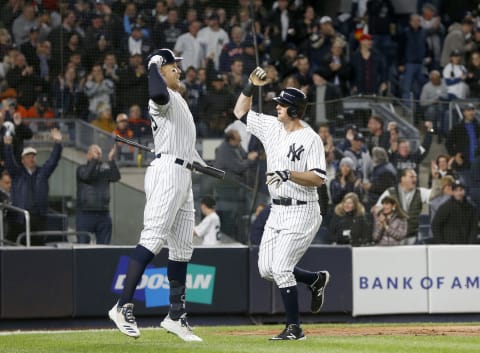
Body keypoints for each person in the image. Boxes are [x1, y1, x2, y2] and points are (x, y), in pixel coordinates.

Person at [108, 48, 204, 342]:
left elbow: (184, 142)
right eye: (173, 66)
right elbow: (157, 95)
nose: (178, 70)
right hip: (167, 173)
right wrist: (153, 64)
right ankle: (122, 305)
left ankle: (176, 315)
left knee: (182, 249)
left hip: (183, 173)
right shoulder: (161, 97)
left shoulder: (180, 100)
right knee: (153, 238)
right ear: (162, 70)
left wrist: (198, 161)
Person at [233, 67, 330, 340]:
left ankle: (294, 329)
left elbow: (318, 178)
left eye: (283, 105)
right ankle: (313, 279)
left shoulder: (310, 138)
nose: (277, 107)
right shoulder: (271, 126)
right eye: (278, 103)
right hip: (277, 210)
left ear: (296, 111)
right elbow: (239, 112)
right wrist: (250, 85)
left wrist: (288, 173)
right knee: (267, 269)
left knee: (282, 269)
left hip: (303, 209)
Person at [3, 128, 63, 244]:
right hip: (20, 218)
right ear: (22, 160)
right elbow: (9, 162)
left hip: (39, 217)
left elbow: (53, 161)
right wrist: (7, 146)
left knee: (37, 246)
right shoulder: (17, 174)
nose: (31, 158)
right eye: (28, 156)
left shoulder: (42, 173)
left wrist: (58, 144)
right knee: (19, 245)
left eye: (33, 156)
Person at [76, 144, 120, 244]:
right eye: (95, 153)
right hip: (85, 214)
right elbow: (86, 176)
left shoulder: (104, 170)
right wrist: (94, 161)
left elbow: (116, 177)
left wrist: (111, 160)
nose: (98, 155)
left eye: (99, 153)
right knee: (82, 248)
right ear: (88, 155)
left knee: (104, 248)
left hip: (103, 214)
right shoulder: (81, 169)